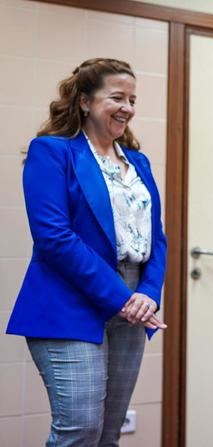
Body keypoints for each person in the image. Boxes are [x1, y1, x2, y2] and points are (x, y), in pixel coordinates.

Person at [6, 58, 167, 446]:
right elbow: (54, 237)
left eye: (132, 99)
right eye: (117, 97)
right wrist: (122, 297)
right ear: (84, 102)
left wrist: (147, 292)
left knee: (108, 433)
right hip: (70, 298)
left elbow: (156, 236)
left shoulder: (138, 162)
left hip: (132, 300)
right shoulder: (52, 152)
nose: (127, 107)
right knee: (80, 428)